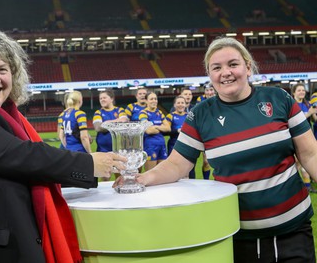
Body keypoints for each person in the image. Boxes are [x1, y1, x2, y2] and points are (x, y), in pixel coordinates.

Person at [0, 25, 126, 263]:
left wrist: (93, 174)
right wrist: (89, 164)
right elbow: (21, 156)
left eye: (3, 70)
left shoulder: (6, 114)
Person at [117, 37, 317, 263]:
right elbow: (177, 164)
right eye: (217, 67)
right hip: (236, 235)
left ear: (248, 67)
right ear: (210, 74)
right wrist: (142, 178)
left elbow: (310, 154)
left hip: (294, 232)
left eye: (233, 64)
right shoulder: (201, 114)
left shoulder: (278, 98)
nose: (226, 73)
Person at [93, 89, 128, 180]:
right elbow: (98, 127)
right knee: (105, 176)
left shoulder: (119, 110)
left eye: (104, 97)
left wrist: (107, 122)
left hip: (118, 148)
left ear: (111, 99)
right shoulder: (98, 112)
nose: (102, 100)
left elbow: (124, 121)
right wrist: (117, 121)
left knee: (120, 175)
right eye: (100, 98)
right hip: (103, 149)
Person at [291, 83, 317, 193]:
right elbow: (295, 121)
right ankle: (296, 186)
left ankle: (307, 186)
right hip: (295, 138)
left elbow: (314, 120)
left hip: (307, 136)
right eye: (299, 90)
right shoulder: (292, 105)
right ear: (293, 93)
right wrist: (309, 113)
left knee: (304, 163)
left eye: (303, 90)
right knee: (296, 163)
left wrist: (313, 114)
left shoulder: (307, 104)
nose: (302, 92)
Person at [138, 92, 170, 171]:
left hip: (162, 145)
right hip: (150, 146)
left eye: (155, 99)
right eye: (151, 99)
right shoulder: (143, 113)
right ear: (146, 101)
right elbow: (148, 130)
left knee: (162, 173)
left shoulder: (159, 113)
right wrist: (161, 127)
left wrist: (156, 127)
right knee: (150, 173)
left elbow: (168, 128)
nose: (154, 101)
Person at [194, 82, 216, 180]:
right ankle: (206, 181)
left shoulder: (221, 99)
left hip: (219, 132)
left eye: (211, 90)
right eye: (207, 90)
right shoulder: (200, 101)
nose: (209, 92)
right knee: (206, 161)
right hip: (206, 133)